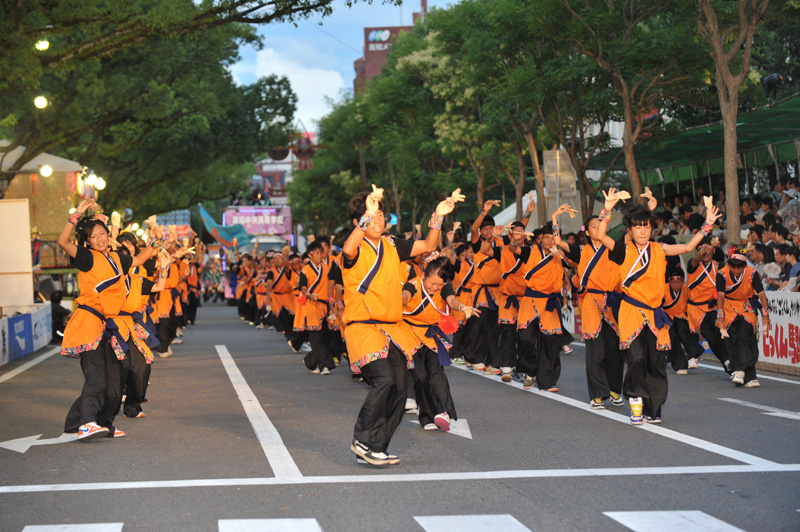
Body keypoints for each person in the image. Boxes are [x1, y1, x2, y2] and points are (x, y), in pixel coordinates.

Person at [342, 185, 458, 466]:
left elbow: (428, 246)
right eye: (372, 215)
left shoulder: (393, 244)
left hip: (392, 329)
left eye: (380, 215)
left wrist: (438, 217)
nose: (378, 220)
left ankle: (375, 447)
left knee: (401, 386)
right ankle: (363, 439)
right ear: (359, 221)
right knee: (385, 379)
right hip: (364, 326)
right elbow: (347, 249)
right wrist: (367, 216)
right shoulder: (355, 248)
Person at [597, 188, 721, 425]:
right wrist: (607, 209)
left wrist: (707, 224)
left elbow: (687, 248)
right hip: (631, 311)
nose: (642, 231)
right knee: (635, 358)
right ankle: (636, 402)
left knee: (656, 362)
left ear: (652, 228)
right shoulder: (623, 250)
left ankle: (653, 408)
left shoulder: (659, 249)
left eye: (646, 226)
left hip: (655, 313)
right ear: (630, 230)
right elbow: (601, 236)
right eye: (637, 227)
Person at [58, 199, 153, 441]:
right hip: (89, 322)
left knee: (114, 379)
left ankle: (102, 423)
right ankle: (86, 423)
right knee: (97, 377)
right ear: (88, 241)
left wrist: (156, 242)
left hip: (108, 327)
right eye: (94, 236)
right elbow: (63, 242)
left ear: (109, 235)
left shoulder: (116, 258)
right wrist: (76, 215)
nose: (99, 239)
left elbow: (140, 260)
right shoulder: (87, 257)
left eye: (102, 234)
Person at [402, 256, 479, 432]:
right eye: (432, 283)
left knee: (436, 371)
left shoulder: (444, 287)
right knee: (420, 376)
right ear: (424, 276)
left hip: (432, 334)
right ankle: (426, 416)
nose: (434, 288)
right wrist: (398, 300)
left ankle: (443, 412)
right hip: (410, 334)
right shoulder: (413, 285)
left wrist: (462, 307)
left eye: (439, 284)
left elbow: (451, 301)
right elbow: (405, 297)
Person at [558, 213, 624, 409]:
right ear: (586, 232)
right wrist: (554, 218)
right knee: (596, 350)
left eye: (600, 225)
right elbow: (557, 241)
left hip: (612, 301)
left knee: (614, 349)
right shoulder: (581, 251)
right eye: (593, 226)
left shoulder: (613, 248)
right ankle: (597, 394)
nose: (597, 228)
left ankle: (613, 389)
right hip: (591, 302)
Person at [716, 246, 770, 388]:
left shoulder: (752, 273)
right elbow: (720, 296)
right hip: (728, 306)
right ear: (729, 264)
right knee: (732, 338)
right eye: (733, 266)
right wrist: (720, 316)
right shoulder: (722, 274)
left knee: (745, 335)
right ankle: (747, 376)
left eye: (740, 267)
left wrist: (765, 315)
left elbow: (762, 294)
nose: (737, 270)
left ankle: (741, 371)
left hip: (747, 305)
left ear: (744, 265)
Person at [296, 241, 335, 374]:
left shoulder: (327, 268)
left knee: (328, 336)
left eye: (321, 253)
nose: (319, 256)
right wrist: (308, 294)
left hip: (326, 305)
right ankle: (325, 366)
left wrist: (332, 302)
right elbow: (303, 287)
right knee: (316, 337)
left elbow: (331, 285)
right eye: (316, 253)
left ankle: (310, 360)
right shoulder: (305, 270)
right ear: (310, 255)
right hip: (312, 305)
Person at [663, 267, 704, 375]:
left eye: (679, 282)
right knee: (672, 336)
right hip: (666, 317)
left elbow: (692, 307)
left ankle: (693, 355)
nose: (676, 285)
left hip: (682, 316)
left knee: (683, 329)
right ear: (669, 282)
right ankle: (680, 364)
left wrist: (697, 325)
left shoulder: (687, 290)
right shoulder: (663, 290)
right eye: (673, 283)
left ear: (683, 281)